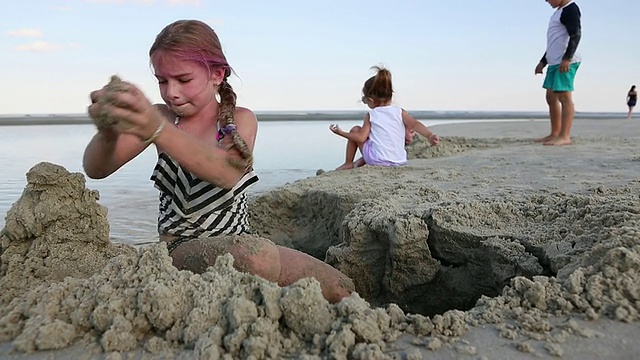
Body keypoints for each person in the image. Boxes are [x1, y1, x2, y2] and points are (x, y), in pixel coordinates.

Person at [82, 19, 353, 303]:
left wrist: (158, 132)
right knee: (259, 258)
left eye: (183, 80)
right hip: (181, 247)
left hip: (240, 239)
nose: (171, 92)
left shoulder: (239, 121)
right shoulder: (161, 117)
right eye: (162, 81)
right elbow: (97, 168)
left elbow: (226, 173)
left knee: (341, 288)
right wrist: (108, 131)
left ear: (217, 74)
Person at [330, 66, 440, 170]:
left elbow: (360, 138)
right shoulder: (400, 112)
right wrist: (429, 135)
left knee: (356, 130)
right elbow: (415, 124)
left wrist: (341, 133)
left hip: (377, 160)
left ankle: (348, 163)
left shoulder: (371, 115)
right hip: (400, 160)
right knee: (376, 142)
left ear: (371, 100)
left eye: (365, 100)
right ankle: (359, 163)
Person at [534, 0, 582, 146]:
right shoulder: (558, 12)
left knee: (564, 96)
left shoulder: (570, 9)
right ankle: (555, 133)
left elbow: (576, 35)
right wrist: (543, 61)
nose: (546, 0)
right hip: (554, 61)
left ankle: (564, 136)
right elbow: (554, 42)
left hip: (566, 61)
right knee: (550, 97)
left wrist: (567, 58)